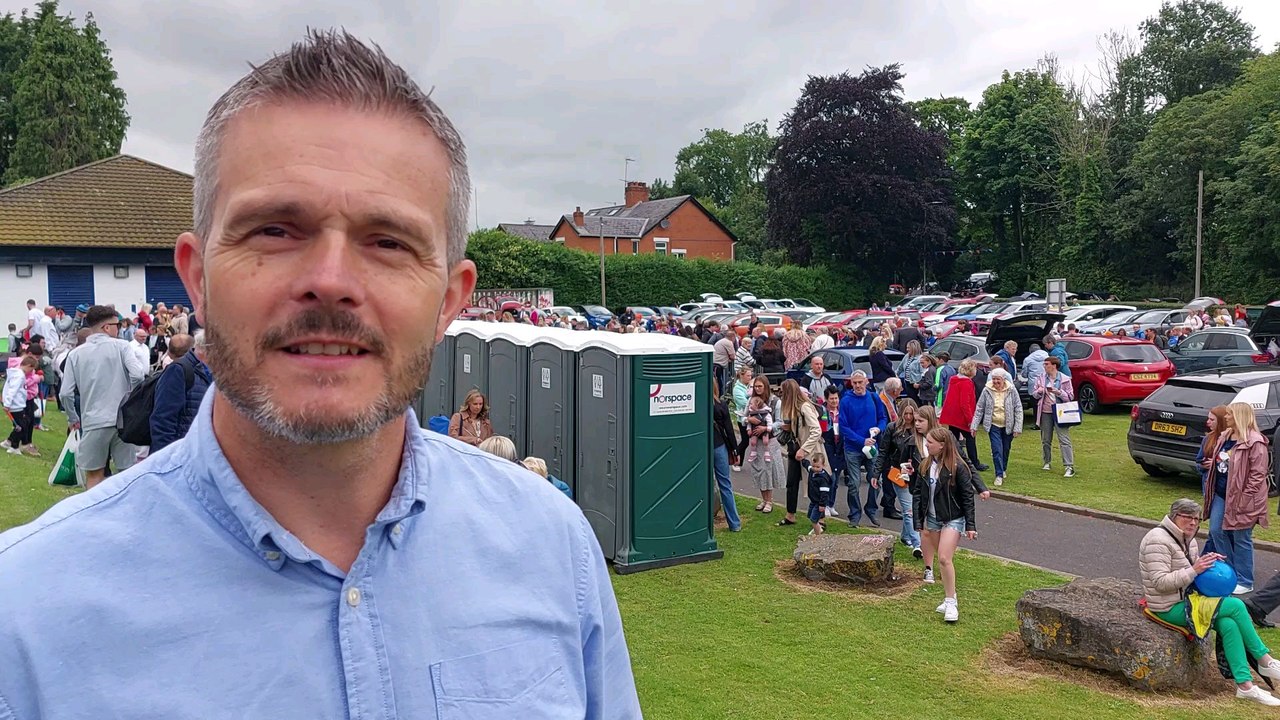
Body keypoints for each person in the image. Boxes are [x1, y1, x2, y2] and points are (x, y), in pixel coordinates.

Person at [0, 32, 640, 717]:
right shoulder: (27, 617)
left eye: (388, 241)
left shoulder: (552, 547)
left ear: (449, 301)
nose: (331, 283)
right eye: (275, 230)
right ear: (198, 279)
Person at [1138, 498, 1280, 706]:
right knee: (1237, 605)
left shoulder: (1188, 538)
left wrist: (1205, 562)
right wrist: (1195, 569)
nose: (1194, 523)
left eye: (1197, 519)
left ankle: (1245, 686)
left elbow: (1189, 571)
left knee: (1229, 624)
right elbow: (1160, 583)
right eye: (1188, 518)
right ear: (1175, 516)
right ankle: (1263, 659)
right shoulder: (1157, 541)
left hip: (1189, 601)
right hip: (1167, 607)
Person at [58, 305, 148, 488]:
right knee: (128, 473)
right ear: (107, 327)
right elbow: (138, 375)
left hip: (93, 419)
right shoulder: (122, 347)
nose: (120, 329)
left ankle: (95, 513)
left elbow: (65, 393)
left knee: (94, 474)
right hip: (123, 419)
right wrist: (132, 398)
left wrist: (73, 418)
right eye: (118, 325)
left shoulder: (75, 354)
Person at [1203, 403, 1271, 595]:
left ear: (1240, 416)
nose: (1227, 417)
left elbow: (1258, 474)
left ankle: (1245, 579)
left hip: (1243, 498)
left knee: (1241, 537)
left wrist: (1245, 497)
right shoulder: (1225, 435)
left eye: (1230, 414)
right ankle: (1231, 571)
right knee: (1216, 531)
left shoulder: (1255, 442)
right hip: (1221, 493)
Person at [911, 427, 977, 623]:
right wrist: (918, 521)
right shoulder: (924, 465)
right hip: (932, 518)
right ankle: (951, 596)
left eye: (930, 442)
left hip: (953, 518)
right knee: (942, 559)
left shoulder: (958, 467)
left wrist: (970, 525)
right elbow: (917, 494)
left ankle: (951, 603)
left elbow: (967, 497)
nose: (926, 445)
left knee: (944, 558)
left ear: (942, 445)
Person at [872, 398, 923, 557]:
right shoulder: (892, 428)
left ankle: (906, 536)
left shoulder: (920, 428)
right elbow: (883, 452)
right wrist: (876, 473)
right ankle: (917, 544)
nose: (908, 417)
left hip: (916, 474)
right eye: (905, 413)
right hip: (897, 473)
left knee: (913, 507)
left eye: (911, 414)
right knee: (909, 510)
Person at [838, 370, 888, 528]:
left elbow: (883, 418)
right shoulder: (846, 401)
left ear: (866, 382)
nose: (858, 385)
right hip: (853, 448)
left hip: (872, 447)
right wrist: (862, 441)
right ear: (851, 383)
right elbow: (843, 428)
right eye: (855, 383)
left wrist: (879, 429)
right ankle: (854, 513)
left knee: (876, 480)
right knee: (853, 483)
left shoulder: (874, 398)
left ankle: (871, 509)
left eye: (860, 382)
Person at [148, 332, 214, 454]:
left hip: (200, 450)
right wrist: (166, 456)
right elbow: (163, 418)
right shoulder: (178, 370)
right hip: (179, 452)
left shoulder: (211, 371)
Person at [778, 379, 825, 528]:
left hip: (809, 451)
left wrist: (804, 449)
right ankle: (790, 514)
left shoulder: (805, 407)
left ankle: (820, 519)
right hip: (796, 449)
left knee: (815, 483)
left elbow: (816, 430)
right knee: (791, 483)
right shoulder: (794, 408)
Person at [971, 368, 1023, 487]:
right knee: (996, 450)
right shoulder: (987, 390)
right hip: (993, 424)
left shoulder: (1011, 389)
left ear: (1003, 379)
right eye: (994, 379)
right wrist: (974, 426)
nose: (995, 381)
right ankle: (998, 474)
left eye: (998, 379)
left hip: (1008, 425)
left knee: (1005, 449)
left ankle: (1003, 468)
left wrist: (1017, 428)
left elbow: (1018, 408)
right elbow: (979, 408)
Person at [745, 375, 785, 514]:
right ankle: (763, 499)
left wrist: (766, 428)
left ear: (766, 386)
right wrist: (749, 419)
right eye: (756, 386)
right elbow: (743, 416)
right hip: (756, 440)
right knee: (759, 469)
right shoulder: (751, 401)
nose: (757, 389)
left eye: (760, 386)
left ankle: (770, 500)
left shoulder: (775, 402)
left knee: (768, 469)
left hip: (770, 440)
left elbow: (779, 422)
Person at [940, 359, 986, 472]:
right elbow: (965, 403)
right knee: (970, 438)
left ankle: (954, 460)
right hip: (961, 417)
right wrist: (970, 420)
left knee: (954, 439)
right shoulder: (966, 383)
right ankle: (974, 463)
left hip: (952, 416)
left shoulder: (954, 379)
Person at [1033, 356, 1075, 477]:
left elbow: (1070, 397)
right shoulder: (1041, 378)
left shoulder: (1065, 379)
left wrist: (1059, 392)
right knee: (1046, 439)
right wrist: (1040, 391)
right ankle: (1047, 462)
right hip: (1045, 412)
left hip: (1060, 412)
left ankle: (1069, 466)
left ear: (1054, 365)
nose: (1044, 366)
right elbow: (1034, 394)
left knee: (1064, 439)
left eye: (1047, 364)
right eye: (1044, 364)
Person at [710, 379, 741, 532]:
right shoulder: (721, 405)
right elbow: (729, 429)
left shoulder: (695, 405)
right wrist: (735, 450)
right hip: (719, 445)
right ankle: (734, 523)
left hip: (702, 447)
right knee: (725, 485)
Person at [2, 355, 36, 456]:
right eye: (32, 369)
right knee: (22, 426)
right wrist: (7, 404)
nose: (31, 372)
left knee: (22, 424)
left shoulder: (16, 374)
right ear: (29, 366)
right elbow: (12, 390)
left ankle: (9, 442)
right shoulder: (19, 376)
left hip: (18, 405)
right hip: (15, 406)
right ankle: (14, 446)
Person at [803, 454, 833, 535]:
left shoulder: (823, 479)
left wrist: (822, 505)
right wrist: (803, 460)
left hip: (819, 502)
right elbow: (807, 466)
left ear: (823, 465)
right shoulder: (812, 471)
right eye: (814, 466)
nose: (815, 469)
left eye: (817, 467)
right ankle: (818, 529)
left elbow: (824, 493)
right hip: (813, 500)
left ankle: (818, 535)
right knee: (810, 515)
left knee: (814, 520)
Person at [731, 364, 753, 470]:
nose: (750, 378)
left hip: (752, 417)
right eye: (748, 375)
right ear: (742, 376)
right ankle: (736, 460)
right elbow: (745, 403)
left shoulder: (749, 386)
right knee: (745, 441)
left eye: (751, 376)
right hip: (743, 418)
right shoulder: (737, 389)